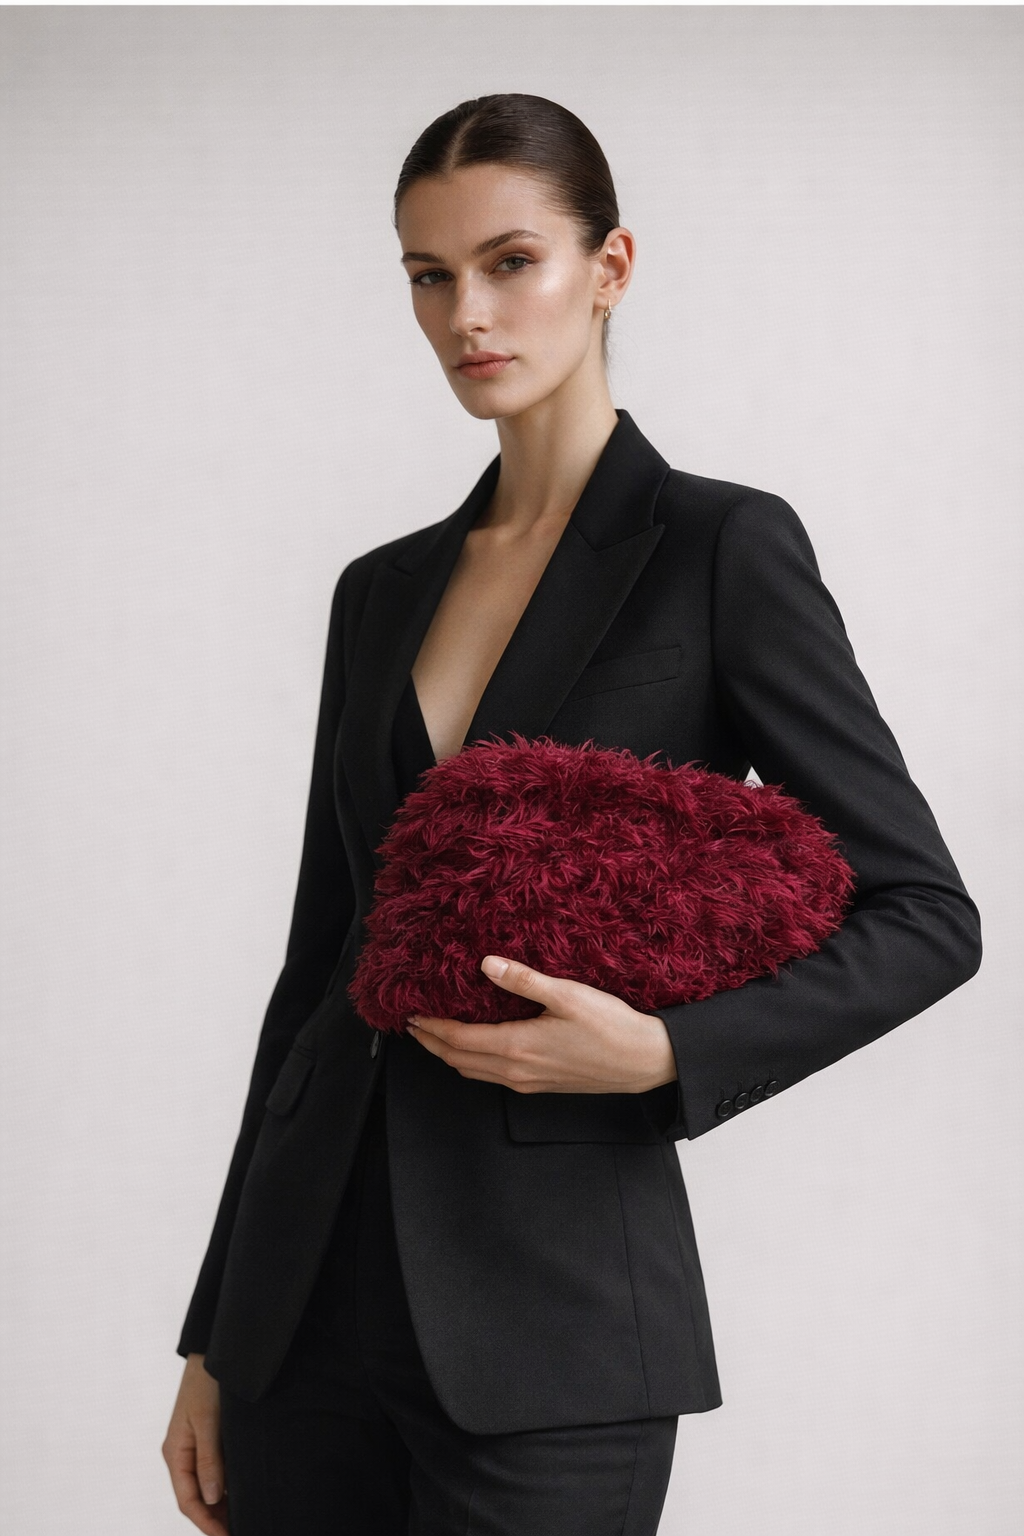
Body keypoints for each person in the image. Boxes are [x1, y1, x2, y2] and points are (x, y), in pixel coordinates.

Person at [162, 93, 983, 1536]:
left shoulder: (722, 547)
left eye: (510, 263)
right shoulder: (380, 589)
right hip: (301, 1316)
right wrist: (217, 1334)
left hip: (550, 1321)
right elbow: (318, 965)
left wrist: (665, 1053)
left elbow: (925, 916)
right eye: (429, 275)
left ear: (610, 268)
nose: (466, 314)